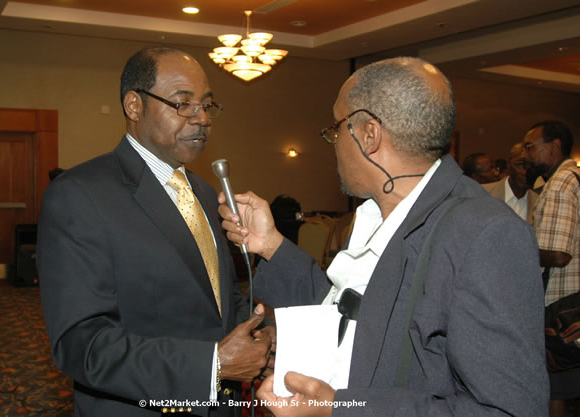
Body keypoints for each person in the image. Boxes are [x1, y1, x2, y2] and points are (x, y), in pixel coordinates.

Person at [218, 57, 548, 416]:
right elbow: (355, 309)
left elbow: (509, 410)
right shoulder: (376, 211)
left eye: (336, 128)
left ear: (369, 134)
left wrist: (340, 410)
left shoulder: (486, 235)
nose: (333, 142)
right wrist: (271, 244)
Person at [37, 47, 272, 417]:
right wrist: (211, 366)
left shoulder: (204, 192)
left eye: (207, 106)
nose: (201, 119)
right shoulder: (79, 194)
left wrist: (258, 333)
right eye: (182, 104)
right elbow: (81, 343)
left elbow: (218, 296)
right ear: (134, 106)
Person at [522, 120, 579, 417]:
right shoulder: (574, 177)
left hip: (563, 304)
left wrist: (517, 246)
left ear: (554, 146)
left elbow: (558, 254)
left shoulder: (560, 183)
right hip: (573, 303)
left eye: (531, 146)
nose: (525, 154)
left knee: (555, 390)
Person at [483, 142, 538, 224]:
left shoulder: (539, 202)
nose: (525, 172)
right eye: (520, 164)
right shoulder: (483, 194)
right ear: (509, 165)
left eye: (531, 166)